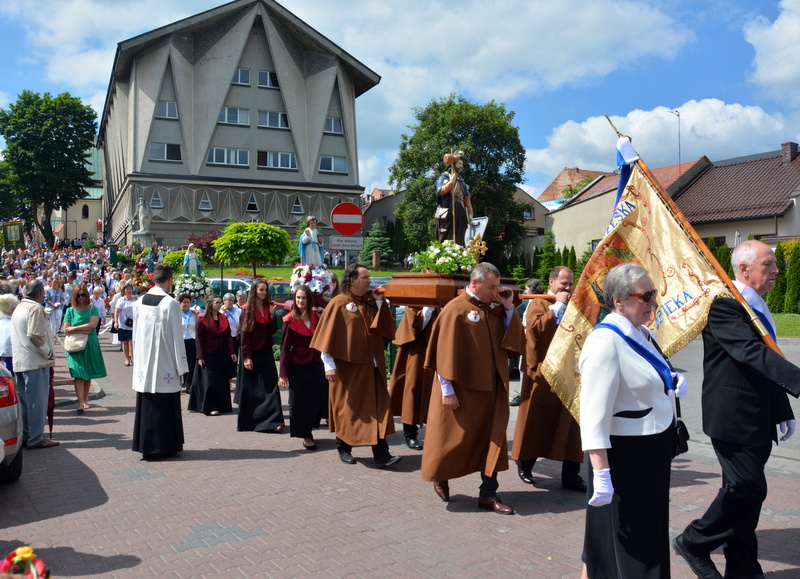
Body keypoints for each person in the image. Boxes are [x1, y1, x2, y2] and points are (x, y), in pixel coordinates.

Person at [675, 241, 800, 579]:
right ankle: (694, 541)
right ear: (744, 269)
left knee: (747, 496)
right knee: (747, 489)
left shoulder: (755, 305)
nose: (776, 271)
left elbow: (766, 360)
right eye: (768, 264)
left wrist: (782, 409)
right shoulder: (725, 305)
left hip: (757, 415)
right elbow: (750, 353)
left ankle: (743, 569)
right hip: (732, 415)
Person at [578, 263, 683, 579]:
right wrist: (601, 473)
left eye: (653, 294)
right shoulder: (605, 342)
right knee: (635, 542)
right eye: (645, 295)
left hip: (650, 451)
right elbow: (593, 415)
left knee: (639, 533)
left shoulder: (641, 332)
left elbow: (647, 374)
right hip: (625, 456)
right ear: (618, 301)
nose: (652, 301)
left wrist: (671, 380)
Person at [421, 262, 523, 513]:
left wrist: (509, 307)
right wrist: (447, 391)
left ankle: (488, 493)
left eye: (497, 287)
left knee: (493, 438)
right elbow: (442, 354)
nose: (495, 292)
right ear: (474, 283)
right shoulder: (455, 310)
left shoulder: (494, 309)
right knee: (451, 439)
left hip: (491, 388)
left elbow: (512, 341)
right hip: (462, 389)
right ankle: (441, 476)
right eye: (491, 287)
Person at [309, 263, 401, 468]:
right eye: (366, 277)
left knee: (377, 410)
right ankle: (343, 448)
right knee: (348, 410)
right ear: (352, 280)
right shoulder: (339, 303)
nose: (370, 281)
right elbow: (326, 338)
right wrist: (328, 366)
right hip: (347, 369)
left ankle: (382, 454)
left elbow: (385, 329)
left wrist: (379, 303)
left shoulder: (370, 302)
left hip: (373, 367)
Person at [512, 266, 586, 492]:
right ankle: (525, 465)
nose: (568, 288)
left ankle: (571, 476)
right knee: (538, 421)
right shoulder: (539, 303)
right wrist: (560, 306)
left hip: (570, 373)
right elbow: (536, 331)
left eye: (571, 284)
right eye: (563, 283)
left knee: (573, 426)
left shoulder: (575, 305)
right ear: (551, 282)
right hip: (543, 374)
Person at [131, 264, 188, 461]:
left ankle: (146, 445)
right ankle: (164, 446)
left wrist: (136, 360)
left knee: (148, 402)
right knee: (165, 404)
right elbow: (176, 338)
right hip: (165, 362)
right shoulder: (170, 304)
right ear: (170, 280)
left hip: (144, 362)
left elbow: (135, 334)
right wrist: (182, 367)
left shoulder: (139, 301)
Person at [278, 285, 328, 450]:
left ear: (309, 300)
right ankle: (305, 435)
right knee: (299, 403)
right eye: (298, 297)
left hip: (316, 364)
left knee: (317, 400)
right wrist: (283, 374)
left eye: (304, 298)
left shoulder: (317, 316)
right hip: (297, 367)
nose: (300, 301)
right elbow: (284, 349)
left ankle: (310, 428)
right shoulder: (289, 320)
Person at [10, 279, 58, 448]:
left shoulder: (19, 307)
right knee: (37, 402)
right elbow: (35, 335)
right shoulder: (35, 308)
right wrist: (49, 352)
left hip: (22, 360)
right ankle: (35, 437)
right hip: (36, 361)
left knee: (25, 402)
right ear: (39, 293)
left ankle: (26, 435)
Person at [235, 279, 285, 433]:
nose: (264, 292)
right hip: (251, 353)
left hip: (266, 351)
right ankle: (252, 422)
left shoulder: (269, 307)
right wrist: (247, 357)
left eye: (265, 290)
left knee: (271, 386)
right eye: (261, 290)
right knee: (252, 389)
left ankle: (274, 420)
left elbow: (272, 330)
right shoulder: (246, 309)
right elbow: (244, 335)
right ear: (254, 291)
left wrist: (272, 317)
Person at [389, 306, 439, 450]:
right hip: (415, 354)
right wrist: (427, 309)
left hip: (434, 354)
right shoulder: (413, 306)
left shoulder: (439, 305)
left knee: (435, 394)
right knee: (412, 392)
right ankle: (410, 435)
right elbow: (413, 329)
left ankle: (435, 433)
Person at [63, 284, 107, 413]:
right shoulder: (70, 310)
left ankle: (85, 399)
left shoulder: (92, 309)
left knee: (87, 374)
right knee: (78, 373)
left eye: (83, 295)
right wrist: (84, 329)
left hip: (89, 343)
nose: (81, 297)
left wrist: (75, 328)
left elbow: (93, 325)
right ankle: (80, 402)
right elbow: (66, 329)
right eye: (78, 295)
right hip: (74, 345)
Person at [188, 296, 236, 416]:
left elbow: (228, 338)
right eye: (217, 302)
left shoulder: (224, 318)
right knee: (209, 380)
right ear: (210, 304)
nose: (220, 304)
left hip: (221, 353)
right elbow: (199, 339)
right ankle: (210, 406)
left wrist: (232, 352)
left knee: (221, 380)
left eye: (220, 302)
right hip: (207, 353)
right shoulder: (202, 319)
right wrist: (200, 356)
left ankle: (222, 406)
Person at [435, 151, 474, 244]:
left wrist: (470, 213)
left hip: (460, 209)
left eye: (462, 164)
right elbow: (440, 191)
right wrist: (451, 182)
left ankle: (459, 249)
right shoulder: (444, 177)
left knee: (460, 233)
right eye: (459, 163)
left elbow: (467, 200)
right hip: (447, 208)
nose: (461, 166)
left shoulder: (462, 181)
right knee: (446, 232)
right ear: (453, 164)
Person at [178, 294, 198, 394]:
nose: (186, 304)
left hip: (191, 339)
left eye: (188, 302)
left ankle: (188, 384)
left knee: (191, 362)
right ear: (180, 303)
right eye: (184, 302)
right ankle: (181, 382)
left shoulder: (194, 314)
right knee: (182, 361)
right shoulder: (177, 314)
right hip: (181, 340)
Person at [114, 283, 135, 366]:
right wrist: (116, 322)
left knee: (132, 341)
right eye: (127, 289)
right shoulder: (121, 300)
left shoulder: (135, 300)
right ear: (124, 291)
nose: (128, 291)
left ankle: (132, 357)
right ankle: (126, 359)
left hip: (133, 324)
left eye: (130, 289)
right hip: (123, 323)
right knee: (125, 342)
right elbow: (117, 311)